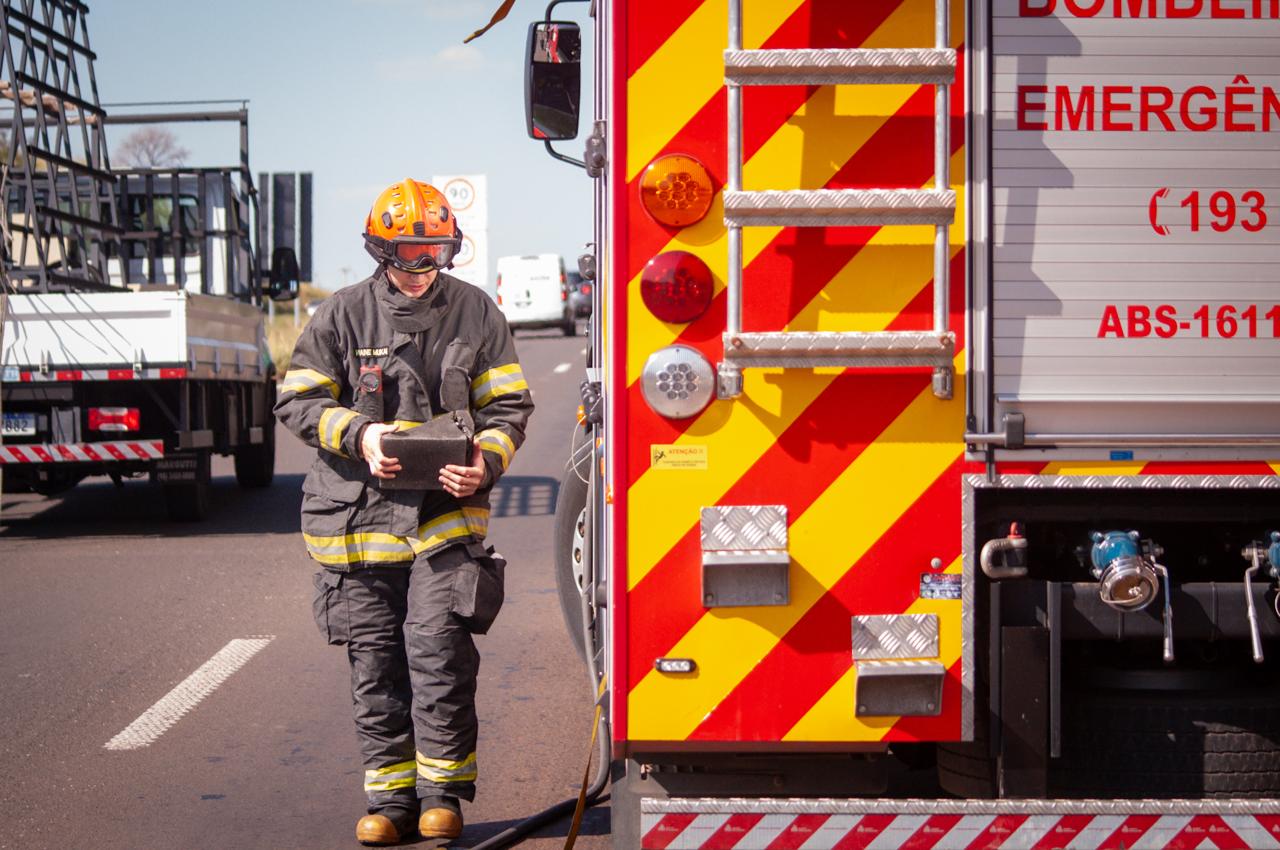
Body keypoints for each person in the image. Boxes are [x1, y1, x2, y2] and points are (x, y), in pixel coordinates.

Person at [275, 179, 533, 846]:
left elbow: (508, 408)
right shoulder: (340, 315)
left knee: (440, 654)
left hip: (445, 518)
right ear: (380, 251)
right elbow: (297, 399)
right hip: (358, 525)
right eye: (409, 255)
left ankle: (441, 796)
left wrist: (486, 462)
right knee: (376, 664)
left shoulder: (477, 314)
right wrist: (360, 436)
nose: (422, 271)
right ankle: (389, 802)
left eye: (436, 253)